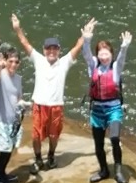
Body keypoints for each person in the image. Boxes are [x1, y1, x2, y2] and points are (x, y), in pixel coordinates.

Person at [10, 14, 87, 173]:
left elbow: (77, 47)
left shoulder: (64, 62)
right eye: (48, 48)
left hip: (56, 106)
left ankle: (51, 156)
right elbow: (24, 43)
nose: (51, 51)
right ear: (44, 50)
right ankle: (38, 159)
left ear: (59, 50)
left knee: (54, 135)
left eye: (55, 48)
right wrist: (17, 28)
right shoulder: (38, 59)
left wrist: (84, 36)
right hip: (39, 105)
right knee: (36, 136)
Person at [83, 22, 131, 183]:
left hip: (113, 109)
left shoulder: (116, 67)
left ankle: (118, 170)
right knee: (98, 144)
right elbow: (86, 55)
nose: (104, 57)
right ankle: (104, 170)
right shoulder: (93, 66)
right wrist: (86, 40)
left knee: (115, 138)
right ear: (97, 55)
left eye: (107, 54)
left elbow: (122, 59)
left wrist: (124, 47)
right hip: (97, 110)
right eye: (101, 54)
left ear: (111, 54)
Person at [0, 42, 24, 183]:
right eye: (10, 61)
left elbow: (19, 97)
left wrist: (22, 105)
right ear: (6, 61)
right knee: (3, 152)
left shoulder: (18, 79)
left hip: (13, 121)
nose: (13, 64)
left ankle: (4, 174)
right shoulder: (1, 75)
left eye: (16, 62)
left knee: (9, 150)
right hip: (1, 122)